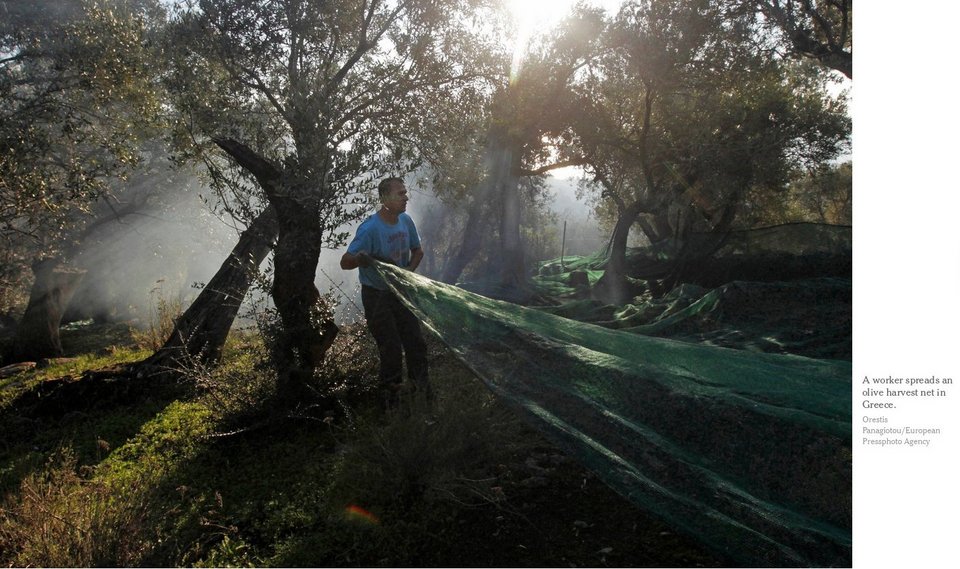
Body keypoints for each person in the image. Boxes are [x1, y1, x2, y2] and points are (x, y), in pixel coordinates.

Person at [340, 177, 430, 404]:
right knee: (390, 348)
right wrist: (360, 259)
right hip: (377, 296)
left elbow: (418, 251)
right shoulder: (370, 229)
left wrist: (406, 273)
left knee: (416, 343)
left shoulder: (405, 221)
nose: (406, 197)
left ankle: (422, 393)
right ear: (384, 199)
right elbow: (345, 261)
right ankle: (390, 402)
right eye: (400, 194)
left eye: (405, 193)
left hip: (400, 292)